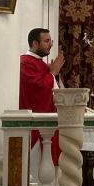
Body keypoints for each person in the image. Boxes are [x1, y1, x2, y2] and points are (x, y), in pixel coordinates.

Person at [20, 28, 65, 164]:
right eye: (46, 41)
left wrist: (52, 74)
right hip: (35, 124)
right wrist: (52, 73)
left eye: (50, 41)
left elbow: (54, 90)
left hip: (51, 123)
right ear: (35, 44)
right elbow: (37, 89)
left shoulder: (41, 63)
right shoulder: (25, 62)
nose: (50, 44)